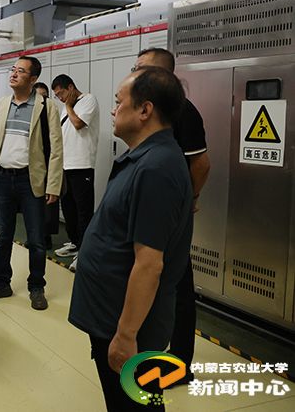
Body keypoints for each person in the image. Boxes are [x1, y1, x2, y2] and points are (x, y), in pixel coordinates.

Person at [68, 66, 193, 412]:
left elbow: (149, 264)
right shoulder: (144, 159)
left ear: (145, 110)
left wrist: (126, 335)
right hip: (110, 314)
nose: (113, 110)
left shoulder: (157, 169)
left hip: (127, 325)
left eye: (118, 101)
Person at [133, 47, 210, 386]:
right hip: (152, 210)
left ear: (165, 75)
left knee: (178, 287)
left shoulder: (183, 111)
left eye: (143, 69)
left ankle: (180, 364)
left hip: (170, 214)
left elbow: (201, 164)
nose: (136, 74)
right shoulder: (149, 110)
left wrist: (188, 200)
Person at [0, 56, 63, 311]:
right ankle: (1, 283)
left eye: (21, 71)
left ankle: (36, 287)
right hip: (4, 178)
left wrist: (53, 185)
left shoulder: (46, 107)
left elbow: (56, 149)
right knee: (2, 236)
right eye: (13, 69)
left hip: (31, 180)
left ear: (33, 78)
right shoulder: (2, 104)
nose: (14, 74)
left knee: (36, 239)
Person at [51, 75, 99, 272]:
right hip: (65, 166)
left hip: (82, 165)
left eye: (61, 93)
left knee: (83, 211)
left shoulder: (88, 100)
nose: (60, 98)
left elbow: (79, 124)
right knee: (68, 209)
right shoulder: (66, 107)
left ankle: (85, 252)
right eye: (57, 96)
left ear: (70, 87)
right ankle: (75, 243)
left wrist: (69, 106)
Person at [32, 81, 58, 250]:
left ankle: (46, 237)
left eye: (45, 96)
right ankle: (37, 235)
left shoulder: (51, 114)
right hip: (34, 166)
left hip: (50, 163)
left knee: (49, 203)